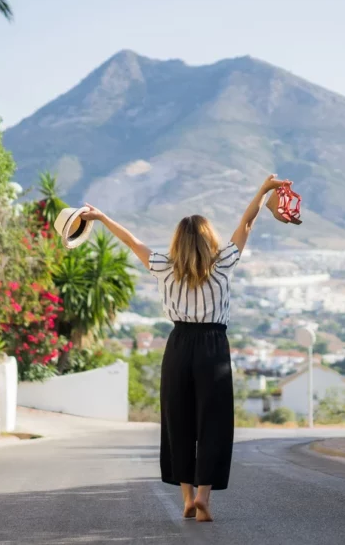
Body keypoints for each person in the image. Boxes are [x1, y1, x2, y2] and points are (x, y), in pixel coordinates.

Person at [80, 174, 292, 522]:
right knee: (213, 422)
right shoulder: (222, 263)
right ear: (209, 239)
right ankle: (204, 497)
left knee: (178, 422)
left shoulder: (164, 266)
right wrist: (264, 190)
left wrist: (101, 218)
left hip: (179, 345)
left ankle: (186, 497)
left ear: (178, 241)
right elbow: (247, 222)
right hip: (213, 346)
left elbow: (131, 241)